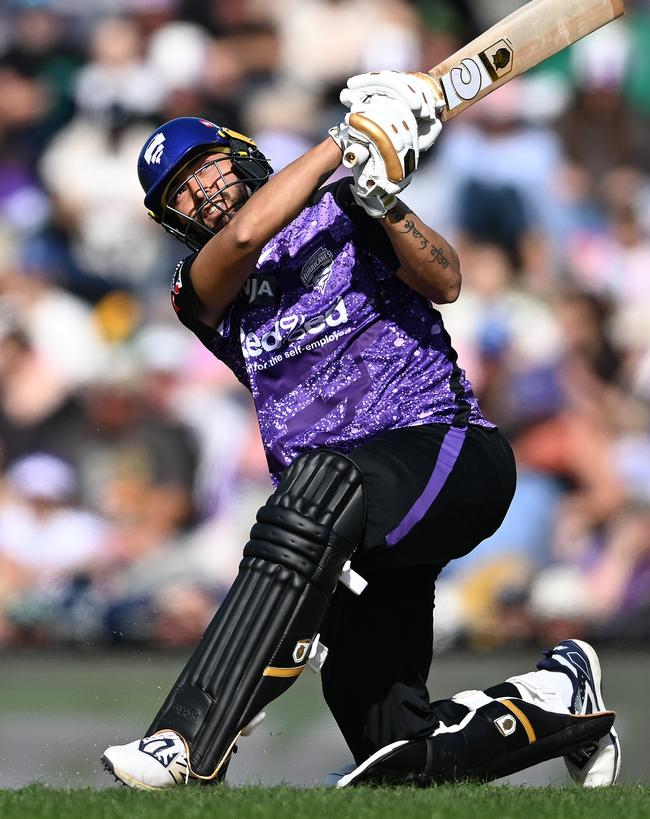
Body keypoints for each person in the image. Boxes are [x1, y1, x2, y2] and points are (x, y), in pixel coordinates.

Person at [101, 72, 619, 789]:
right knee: (395, 756)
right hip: (346, 522)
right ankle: (559, 695)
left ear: (241, 153)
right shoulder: (199, 288)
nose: (201, 193)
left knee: (316, 484)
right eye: (178, 195)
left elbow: (446, 281)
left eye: (205, 168)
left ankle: (185, 736)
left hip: (445, 449)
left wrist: (384, 201)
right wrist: (345, 141)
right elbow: (251, 231)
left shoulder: (346, 205)